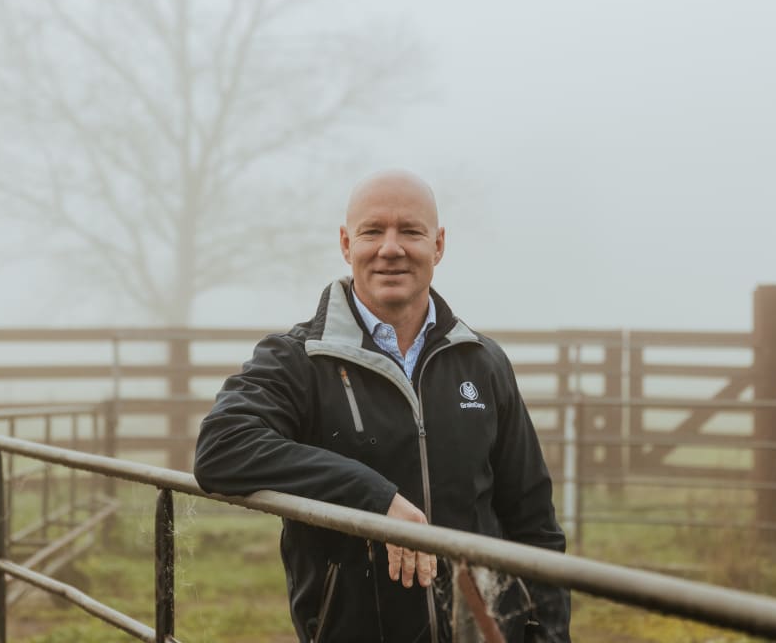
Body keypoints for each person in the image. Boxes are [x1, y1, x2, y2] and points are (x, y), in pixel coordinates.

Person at [193, 170, 570, 642]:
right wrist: (372, 498)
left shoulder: (483, 362)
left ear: (438, 245)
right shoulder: (299, 359)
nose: (391, 248)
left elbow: (533, 521)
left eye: (410, 231)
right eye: (373, 231)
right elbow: (222, 447)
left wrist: (549, 635)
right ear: (347, 244)